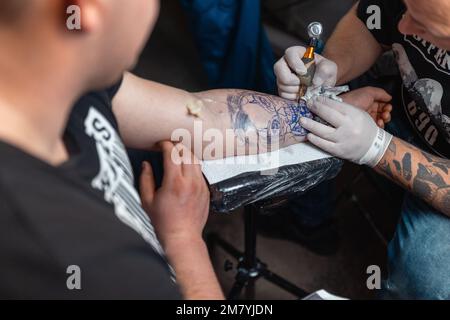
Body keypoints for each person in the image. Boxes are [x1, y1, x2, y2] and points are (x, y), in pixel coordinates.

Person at [0, 0, 391, 299]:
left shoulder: (69, 78)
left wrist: (327, 111)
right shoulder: (81, 260)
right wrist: (183, 243)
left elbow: (203, 114)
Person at [274, 0, 450, 299]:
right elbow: (370, 19)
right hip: (399, 106)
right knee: (296, 114)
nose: (404, 27)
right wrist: (331, 69)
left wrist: (377, 147)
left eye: (423, 26)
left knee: (426, 279)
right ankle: (308, 221)